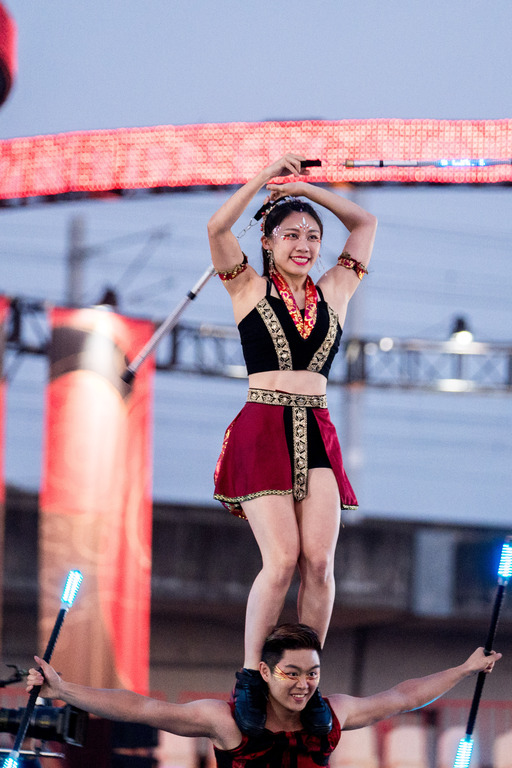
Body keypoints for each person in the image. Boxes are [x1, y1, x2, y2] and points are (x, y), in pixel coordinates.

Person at [208, 153, 378, 735]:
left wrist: (306, 187)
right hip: (263, 427)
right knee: (281, 560)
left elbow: (365, 223)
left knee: (320, 562)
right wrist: (264, 180)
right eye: (291, 235)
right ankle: (250, 678)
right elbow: (217, 227)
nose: (303, 245)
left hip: (317, 426)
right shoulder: (247, 288)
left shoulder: (335, 290)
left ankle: (308, 675)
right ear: (267, 241)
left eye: (312, 237)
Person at [26, 623, 502, 768]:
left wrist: (464, 669)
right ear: (266, 672)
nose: (303, 684)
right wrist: (64, 689)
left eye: (312, 674)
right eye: (292, 673)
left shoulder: (332, 714)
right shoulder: (227, 722)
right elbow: (144, 708)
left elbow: (401, 697)